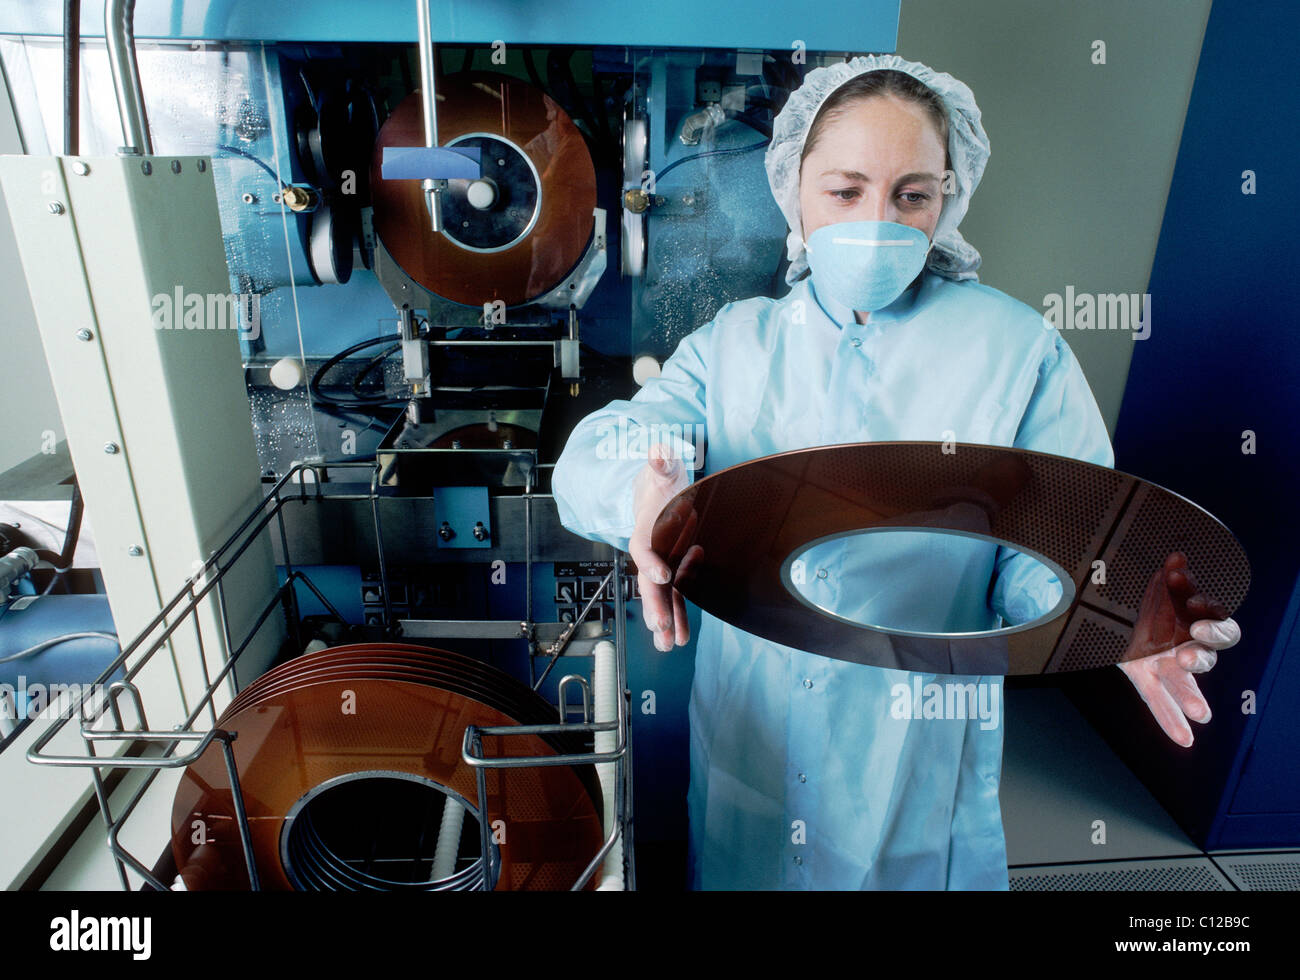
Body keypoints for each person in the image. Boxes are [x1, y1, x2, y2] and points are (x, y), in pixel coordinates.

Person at [550, 54, 1241, 889]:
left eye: (911, 195)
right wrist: (643, 495)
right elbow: (604, 450)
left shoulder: (1016, 351)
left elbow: (1060, 542)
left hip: (916, 747)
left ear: (947, 200)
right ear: (792, 188)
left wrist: (1116, 609)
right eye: (845, 191)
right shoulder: (736, 345)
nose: (876, 221)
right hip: (754, 736)